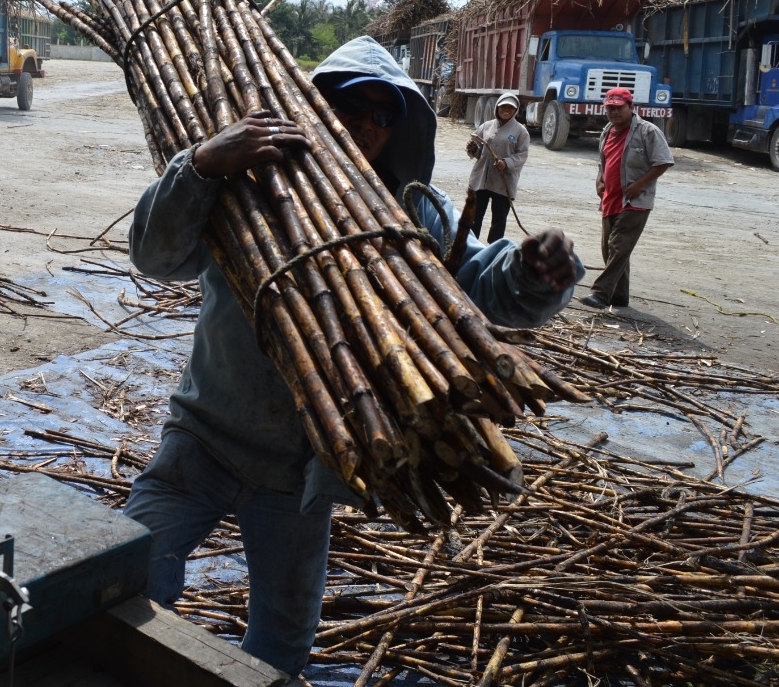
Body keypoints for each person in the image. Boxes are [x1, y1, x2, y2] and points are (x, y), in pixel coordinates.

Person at [123, 36, 585, 678]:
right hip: (202, 437)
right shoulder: (246, 180)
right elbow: (154, 256)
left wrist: (535, 271)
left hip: (304, 467)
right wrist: (201, 163)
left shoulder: (410, 210)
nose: (368, 125)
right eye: (353, 107)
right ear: (314, 107)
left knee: (282, 642)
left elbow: (478, 281)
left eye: (384, 114)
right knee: (122, 578)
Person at [578, 87, 674, 310]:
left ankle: (601, 294)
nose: (614, 112)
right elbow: (603, 161)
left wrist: (639, 185)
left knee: (619, 246)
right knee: (610, 250)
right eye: (610, 108)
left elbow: (664, 161)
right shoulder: (607, 131)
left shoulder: (647, 131)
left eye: (619, 108)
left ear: (631, 107)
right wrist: (599, 179)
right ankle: (619, 297)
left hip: (635, 201)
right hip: (610, 199)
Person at [466, 91, 530, 242]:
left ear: (515, 110)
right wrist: (473, 149)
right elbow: (480, 152)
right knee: (474, 217)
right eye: (503, 107)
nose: (506, 110)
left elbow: (522, 156)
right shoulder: (486, 126)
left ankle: (494, 249)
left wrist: (506, 163)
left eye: (510, 108)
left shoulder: (521, 131)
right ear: (497, 108)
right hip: (482, 179)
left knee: (499, 220)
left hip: (503, 182)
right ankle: (471, 246)